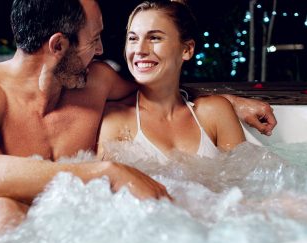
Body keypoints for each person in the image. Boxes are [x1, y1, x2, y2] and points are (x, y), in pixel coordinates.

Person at [0, 0, 276, 234]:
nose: (102, 50)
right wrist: (108, 172)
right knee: (3, 209)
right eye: (94, 39)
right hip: (7, 239)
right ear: (59, 45)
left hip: (82, 232)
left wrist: (229, 101)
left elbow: (157, 86)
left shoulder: (97, 82)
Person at [98, 0, 245, 163]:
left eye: (154, 38)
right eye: (133, 39)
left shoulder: (215, 113)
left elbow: (247, 182)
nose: (139, 50)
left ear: (187, 50)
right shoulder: (117, 120)